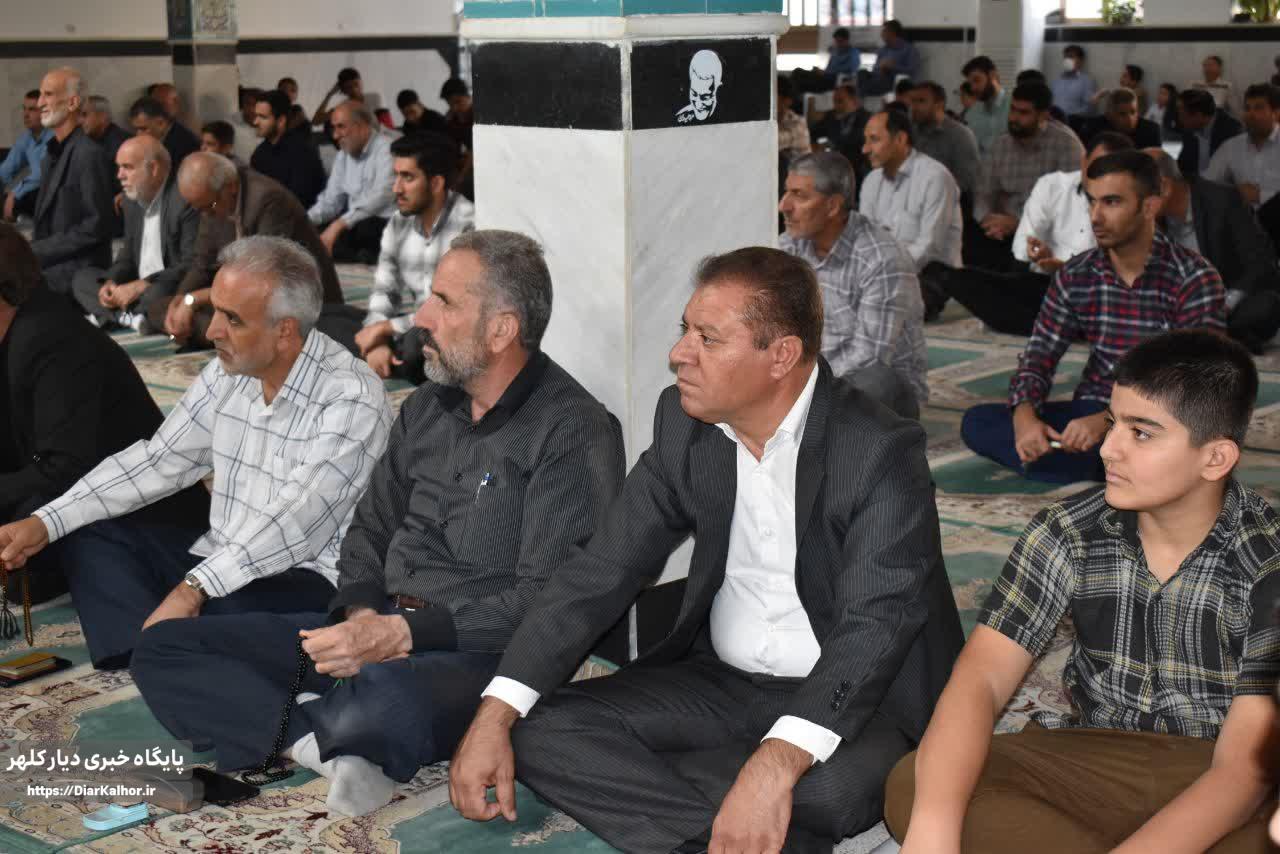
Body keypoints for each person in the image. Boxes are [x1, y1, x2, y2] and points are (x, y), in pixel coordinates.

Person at [448, 245, 964, 854]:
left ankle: (711, 794)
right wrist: (495, 712)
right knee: (537, 730)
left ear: (782, 356)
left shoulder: (877, 449)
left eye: (708, 339)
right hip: (721, 681)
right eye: (685, 330)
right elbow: (603, 569)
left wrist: (776, 761)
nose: (678, 354)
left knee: (829, 792)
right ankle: (729, 823)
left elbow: (875, 625)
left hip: (853, 696)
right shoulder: (685, 423)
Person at [132, 229, 626, 817]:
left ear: (501, 330)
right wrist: (363, 616)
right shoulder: (427, 406)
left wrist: (402, 637)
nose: (421, 318)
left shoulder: (570, 430)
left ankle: (308, 716)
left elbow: (548, 600)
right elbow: (369, 528)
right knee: (161, 649)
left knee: (389, 703)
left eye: (443, 302)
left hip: (479, 652)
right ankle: (318, 741)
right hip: (381, 623)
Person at [887, 329, 1280, 853]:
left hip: (1218, 767)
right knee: (918, 787)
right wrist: (933, 829)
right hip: (1096, 757)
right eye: (1113, 423)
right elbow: (981, 678)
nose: (1108, 448)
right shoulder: (1069, 531)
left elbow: (1242, 773)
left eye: (1141, 434)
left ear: (1215, 458)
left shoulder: (1267, 561)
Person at [0, 235, 392, 671]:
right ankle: (154, 651)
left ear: (284, 330)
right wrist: (45, 522)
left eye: (232, 319)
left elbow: (296, 521)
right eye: (216, 311)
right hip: (220, 558)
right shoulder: (229, 373)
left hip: (307, 575)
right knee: (86, 529)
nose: (211, 331)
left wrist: (193, 589)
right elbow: (159, 461)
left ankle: (172, 648)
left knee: (223, 607)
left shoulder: (351, 397)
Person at [960, 150, 1226, 484]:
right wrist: (1024, 418)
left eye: (1112, 202)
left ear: (1149, 207)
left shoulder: (1193, 277)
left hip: (1161, 417)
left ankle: (1090, 463)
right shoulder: (1076, 275)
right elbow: (1038, 356)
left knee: (1186, 437)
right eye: (1092, 202)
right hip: (1091, 410)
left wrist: (1110, 422)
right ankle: (1105, 466)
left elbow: (1195, 384)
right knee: (977, 422)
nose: (1096, 216)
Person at [0, 224, 209, 605]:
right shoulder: (20, 328)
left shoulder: (49, 341)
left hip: (137, 511)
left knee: (23, 570)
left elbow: (64, 469)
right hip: (72, 485)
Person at [941, 132, 1134, 337]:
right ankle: (1049, 323)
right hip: (1042, 285)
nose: (1102, 176)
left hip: (1091, 295)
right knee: (962, 278)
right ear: (1084, 161)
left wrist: (1066, 269)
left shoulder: (1130, 206)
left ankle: (1048, 323)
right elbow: (1023, 245)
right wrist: (1036, 252)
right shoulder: (1052, 185)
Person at [780, 152, 928, 416]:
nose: (784, 205)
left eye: (799, 195)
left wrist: (800, 385)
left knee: (874, 383)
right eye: (786, 192)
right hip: (810, 375)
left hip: (876, 386)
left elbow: (869, 355)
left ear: (832, 206)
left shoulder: (882, 258)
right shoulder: (790, 246)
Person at [160, 153, 353, 351]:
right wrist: (178, 301)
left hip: (296, 299)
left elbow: (263, 277)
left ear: (230, 187)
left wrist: (194, 300)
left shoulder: (268, 200)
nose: (206, 215)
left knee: (226, 325)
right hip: (249, 298)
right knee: (160, 306)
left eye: (209, 206)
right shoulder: (212, 204)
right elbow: (202, 263)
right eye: (199, 208)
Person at [358, 133, 474, 382]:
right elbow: (384, 291)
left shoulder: (468, 226)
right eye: (396, 176)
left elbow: (456, 308)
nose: (396, 188)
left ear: (436, 183)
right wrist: (377, 339)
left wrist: (387, 328)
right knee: (330, 320)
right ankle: (385, 355)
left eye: (407, 177)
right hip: (414, 323)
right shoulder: (398, 223)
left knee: (415, 347)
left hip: (454, 331)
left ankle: (397, 360)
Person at [1145, 147, 1280, 355]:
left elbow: (1260, 262)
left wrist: (1221, 306)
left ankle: (1206, 337)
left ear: (1165, 187)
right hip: (1181, 309)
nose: (1136, 199)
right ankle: (1211, 339)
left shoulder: (1222, 199)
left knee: (1266, 306)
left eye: (1140, 191)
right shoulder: (1147, 219)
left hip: (1228, 302)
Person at [70, 136, 196, 332]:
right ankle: (128, 317)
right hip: (136, 286)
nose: (119, 175)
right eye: (119, 167)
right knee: (82, 278)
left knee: (159, 293)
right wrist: (111, 282)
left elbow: (190, 264)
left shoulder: (184, 200)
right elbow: (127, 255)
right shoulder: (130, 202)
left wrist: (142, 284)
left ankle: (111, 315)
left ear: (153, 169)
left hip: (163, 284)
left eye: (127, 167)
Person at [969, 81, 1085, 272]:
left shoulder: (1066, 146)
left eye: (1023, 113)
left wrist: (1018, 224)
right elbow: (983, 192)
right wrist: (988, 220)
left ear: (1043, 115)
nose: (1014, 118)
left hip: (1045, 236)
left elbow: (1071, 209)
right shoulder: (1002, 145)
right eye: (1013, 110)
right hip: (1000, 231)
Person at [29, 67, 115, 298]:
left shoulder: (90, 154)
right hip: (50, 266)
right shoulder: (50, 155)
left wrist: (36, 251)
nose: (40, 103)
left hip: (78, 272)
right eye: (40, 94)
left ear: (73, 102)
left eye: (48, 94)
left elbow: (96, 227)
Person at [859, 109, 963, 292]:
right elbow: (867, 241)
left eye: (874, 140)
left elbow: (929, 247)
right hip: (885, 278)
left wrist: (884, 276)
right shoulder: (872, 181)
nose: (865, 149)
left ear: (900, 139)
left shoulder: (934, 177)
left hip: (935, 279)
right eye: (865, 140)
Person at [308, 101, 396, 263]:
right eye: (334, 128)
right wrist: (304, 221)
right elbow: (331, 201)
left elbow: (381, 196)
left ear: (362, 126)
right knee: (312, 232)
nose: (335, 135)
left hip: (385, 225)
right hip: (354, 225)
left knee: (364, 228)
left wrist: (338, 225)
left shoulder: (387, 149)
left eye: (341, 127)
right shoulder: (343, 155)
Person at [1205, 83, 1280, 226]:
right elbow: (1207, 185)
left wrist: (1260, 196)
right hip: (1240, 227)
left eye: (1258, 108)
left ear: (1276, 113)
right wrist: (1232, 193)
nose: (1251, 115)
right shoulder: (1231, 147)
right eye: (1247, 108)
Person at [250, 89, 326, 208]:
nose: (255, 122)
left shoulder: (303, 152)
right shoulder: (259, 153)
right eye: (256, 116)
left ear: (281, 121)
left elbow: (300, 200)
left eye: (262, 117)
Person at [906, 80, 981, 199]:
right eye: (912, 101)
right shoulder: (910, 133)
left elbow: (966, 181)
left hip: (948, 201)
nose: (914, 107)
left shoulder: (960, 135)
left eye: (921, 101)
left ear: (939, 104)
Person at [0, 90, 52, 221]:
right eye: (24, 109)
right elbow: (6, 170)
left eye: (32, 109)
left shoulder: (54, 137)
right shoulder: (26, 137)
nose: (25, 114)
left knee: (22, 198)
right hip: (33, 191)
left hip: (50, 191)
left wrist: (14, 193)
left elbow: (40, 175)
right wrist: (8, 191)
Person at [810, 84, 871, 186]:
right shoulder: (831, 116)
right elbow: (813, 133)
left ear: (854, 100)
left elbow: (861, 143)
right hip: (833, 164)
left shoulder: (866, 118)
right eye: (834, 101)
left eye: (840, 101)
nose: (836, 106)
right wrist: (817, 147)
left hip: (857, 166)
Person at [1176, 88, 1243, 179]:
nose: (1180, 119)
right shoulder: (1189, 130)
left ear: (1198, 115)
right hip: (1195, 184)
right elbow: (1183, 165)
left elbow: (1235, 174)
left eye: (1182, 115)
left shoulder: (1232, 132)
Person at [129, 95, 200, 170]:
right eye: (136, 129)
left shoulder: (185, 144)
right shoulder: (157, 140)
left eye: (143, 129)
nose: (138, 134)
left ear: (161, 123)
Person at [1078, 88, 1162, 150]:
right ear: (1108, 115)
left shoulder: (1151, 130)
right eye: (1122, 114)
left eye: (1133, 112)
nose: (1130, 118)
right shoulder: (1093, 129)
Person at [80, 95, 130, 197]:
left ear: (102, 117)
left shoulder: (122, 145)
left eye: (84, 115)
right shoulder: (88, 140)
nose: (80, 121)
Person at [857, 19, 920, 98]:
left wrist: (892, 67)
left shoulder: (909, 49)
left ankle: (860, 95)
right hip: (876, 79)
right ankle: (861, 94)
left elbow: (912, 71)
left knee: (881, 79)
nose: (881, 34)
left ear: (891, 32)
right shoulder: (883, 50)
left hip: (892, 80)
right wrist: (880, 67)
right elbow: (875, 68)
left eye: (884, 31)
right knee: (862, 73)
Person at [1051, 45, 1097, 120]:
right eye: (1065, 57)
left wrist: (1069, 116)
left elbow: (1089, 108)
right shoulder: (1056, 81)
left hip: (1074, 121)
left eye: (1071, 57)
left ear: (1081, 61)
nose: (1067, 60)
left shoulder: (1086, 81)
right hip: (1053, 120)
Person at [777, 77, 811, 164]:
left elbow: (772, 141)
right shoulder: (775, 121)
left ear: (787, 101)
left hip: (801, 171)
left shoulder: (798, 123)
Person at [228, 87, 262, 164]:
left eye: (256, 104)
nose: (252, 109)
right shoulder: (229, 124)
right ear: (242, 105)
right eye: (248, 104)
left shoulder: (271, 125)